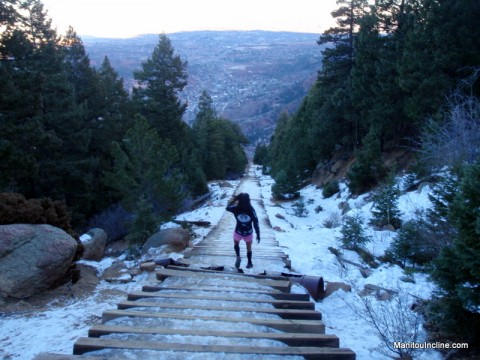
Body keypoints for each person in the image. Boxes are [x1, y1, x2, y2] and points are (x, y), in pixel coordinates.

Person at [226, 192, 260, 269]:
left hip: (238, 231)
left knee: (236, 244)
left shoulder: (235, 209)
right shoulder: (251, 210)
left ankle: (238, 256)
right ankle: (249, 262)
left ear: (239, 200)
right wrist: (258, 234)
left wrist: (234, 200)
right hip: (248, 232)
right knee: (249, 247)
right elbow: (255, 222)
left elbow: (227, 207)